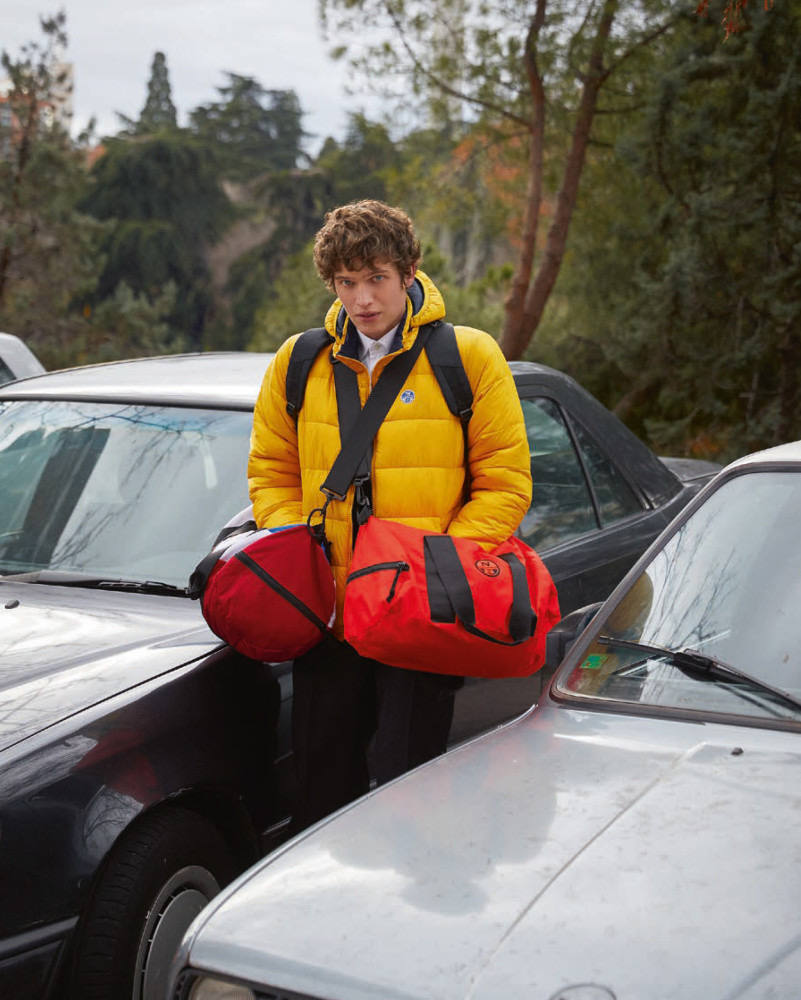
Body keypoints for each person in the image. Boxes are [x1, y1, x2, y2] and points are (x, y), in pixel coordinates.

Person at [248, 199, 532, 831]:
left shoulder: (471, 357)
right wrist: (298, 550)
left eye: (375, 278)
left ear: (409, 273)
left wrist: (440, 570)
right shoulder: (299, 362)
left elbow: (505, 485)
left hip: (419, 616)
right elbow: (272, 472)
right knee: (320, 789)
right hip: (330, 615)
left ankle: (402, 916)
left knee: (410, 788)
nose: (362, 299)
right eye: (346, 283)